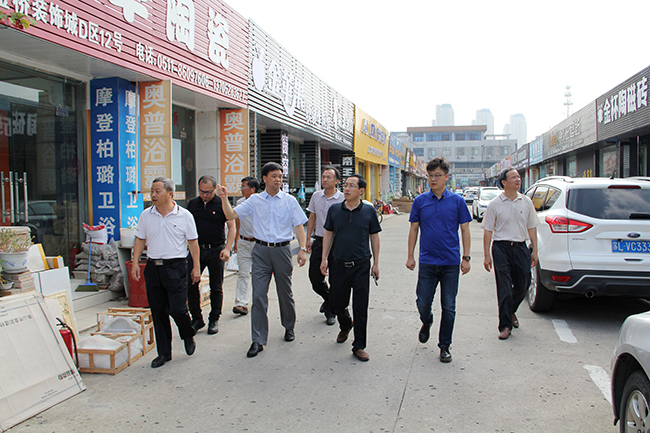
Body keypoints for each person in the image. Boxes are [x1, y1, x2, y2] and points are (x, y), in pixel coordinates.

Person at [217, 162, 308, 358]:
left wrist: (302, 249)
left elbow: (299, 225)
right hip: (260, 251)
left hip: (282, 250)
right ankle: (257, 339)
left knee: (285, 292)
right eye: (274, 176)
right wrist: (224, 198)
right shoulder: (255, 201)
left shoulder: (289, 201)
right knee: (258, 295)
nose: (278, 179)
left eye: (280, 176)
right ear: (264, 179)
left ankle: (289, 326)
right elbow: (231, 214)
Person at [405, 157, 471, 363]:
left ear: (446, 177)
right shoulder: (420, 201)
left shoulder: (457, 201)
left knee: (449, 306)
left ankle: (445, 346)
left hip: (450, 263)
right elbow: (414, 229)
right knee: (422, 302)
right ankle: (427, 321)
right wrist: (410, 255)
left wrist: (466, 257)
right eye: (430, 175)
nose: (433, 179)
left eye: (437, 175)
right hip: (427, 262)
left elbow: (465, 230)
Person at [131, 177, 200, 368]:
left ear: (170, 194)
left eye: (157, 191)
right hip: (153, 267)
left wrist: (196, 267)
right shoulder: (146, 215)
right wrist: (135, 263)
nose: (153, 195)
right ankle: (164, 353)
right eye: (152, 191)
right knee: (158, 312)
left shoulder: (184, 215)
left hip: (176, 267)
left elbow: (193, 243)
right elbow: (139, 239)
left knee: (178, 309)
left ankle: (187, 334)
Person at [320, 174, 381, 362]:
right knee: (338, 303)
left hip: (361, 266)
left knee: (360, 307)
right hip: (338, 264)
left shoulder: (369, 211)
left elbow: (374, 237)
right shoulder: (335, 210)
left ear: (361, 190)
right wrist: (324, 259)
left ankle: (359, 345)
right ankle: (346, 324)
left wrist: (376, 263)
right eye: (345, 185)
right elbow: (328, 234)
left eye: (352, 186)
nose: (346, 189)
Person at [482, 168, 538, 340]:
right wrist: (486, 255)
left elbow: (532, 227)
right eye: (514, 177)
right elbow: (488, 231)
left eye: (518, 177)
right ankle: (505, 325)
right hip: (501, 248)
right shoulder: (495, 204)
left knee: (523, 285)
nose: (518, 179)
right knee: (504, 288)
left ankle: (511, 310)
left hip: (521, 247)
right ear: (504, 183)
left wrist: (535, 250)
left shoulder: (526, 202)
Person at [186, 175, 236, 335]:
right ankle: (196, 318)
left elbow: (232, 227)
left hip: (216, 249)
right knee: (191, 283)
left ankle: (214, 318)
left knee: (216, 286)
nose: (204, 195)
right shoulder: (193, 204)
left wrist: (227, 248)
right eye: (201, 191)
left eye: (208, 192)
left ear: (215, 189)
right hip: (197, 250)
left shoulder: (221, 203)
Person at [305, 166, 349, 326]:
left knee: (336, 279)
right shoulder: (316, 196)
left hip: (338, 242)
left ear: (337, 181)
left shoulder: (343, 198)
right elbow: (312, 217)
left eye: (329, 177)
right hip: (319, 240)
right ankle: (329, 298)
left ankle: (331, 312)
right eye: (323, 176)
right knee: (315, 276)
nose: (325, 179)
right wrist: (308, 239)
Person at [232, 176, 260, 315]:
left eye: (244, 187)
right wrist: (236, 240)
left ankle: (258, 302)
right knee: (243, 273)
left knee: (258, 274)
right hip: (243, 242)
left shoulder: (261, 203)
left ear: (252, 189)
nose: (241, 189)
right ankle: (241, 303)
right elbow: (238, 223)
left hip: (258, 243)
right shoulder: (240, 203)